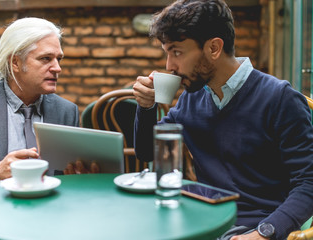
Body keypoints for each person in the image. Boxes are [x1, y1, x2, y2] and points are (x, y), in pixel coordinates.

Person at [133, 0, 313, 239]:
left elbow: (309, 182)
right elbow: (148, 152)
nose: (170, 66)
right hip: (203, 222)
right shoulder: (192, 99)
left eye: (177, 52)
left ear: (214, 48)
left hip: (255, 227)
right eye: (167, 53)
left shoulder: (280, 98)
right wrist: (146, 108)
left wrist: (266, 232)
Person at [0, 17, 79, 239]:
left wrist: (81, 176)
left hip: (49, 226)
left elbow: (70, 185)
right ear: (15, 62)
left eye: (59, 59)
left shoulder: (66, 112)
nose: (57, 68)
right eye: (45, 59)